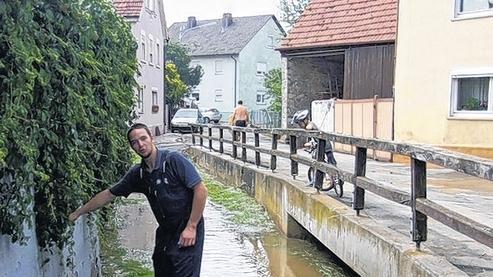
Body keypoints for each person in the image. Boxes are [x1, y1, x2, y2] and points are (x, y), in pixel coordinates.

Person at [69, 123, 208, 276]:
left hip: (187, 228)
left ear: (151, 138)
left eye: (143, 138)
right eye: (135, 142)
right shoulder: (139, 174)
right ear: (132, 146)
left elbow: (200, 190)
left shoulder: (173, 161)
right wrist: (78, 212)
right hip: (165, 232)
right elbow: (109, 194)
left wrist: (192, 226)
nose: (140, 144)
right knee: (162, 269)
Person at [291, 110, 339, 186]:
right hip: (320, 145)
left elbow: (309, 127)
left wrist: (306, 130)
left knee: (326, 162)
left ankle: (334, 178)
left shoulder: (311, 124)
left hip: (325, 145)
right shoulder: (308, 126)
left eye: (300, 123)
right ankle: (318, 179)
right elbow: (314, 139)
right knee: (319, 162)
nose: (300, 125)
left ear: (305, 120)